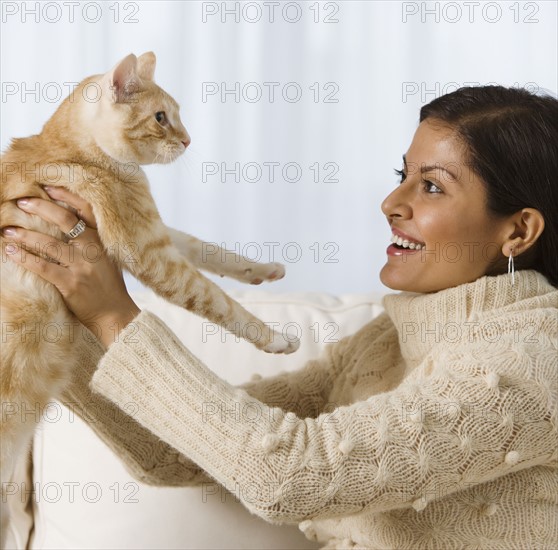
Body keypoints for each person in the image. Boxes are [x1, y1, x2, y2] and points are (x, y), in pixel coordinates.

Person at [3, 86, 557, 549]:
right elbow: (172, 453)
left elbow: (294, 476)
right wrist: (51, 303)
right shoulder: (382, 344)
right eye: (403, 175)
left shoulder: (537, 359)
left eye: (432, 186)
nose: (392, 202)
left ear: (517, 231)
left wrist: (112, 313)